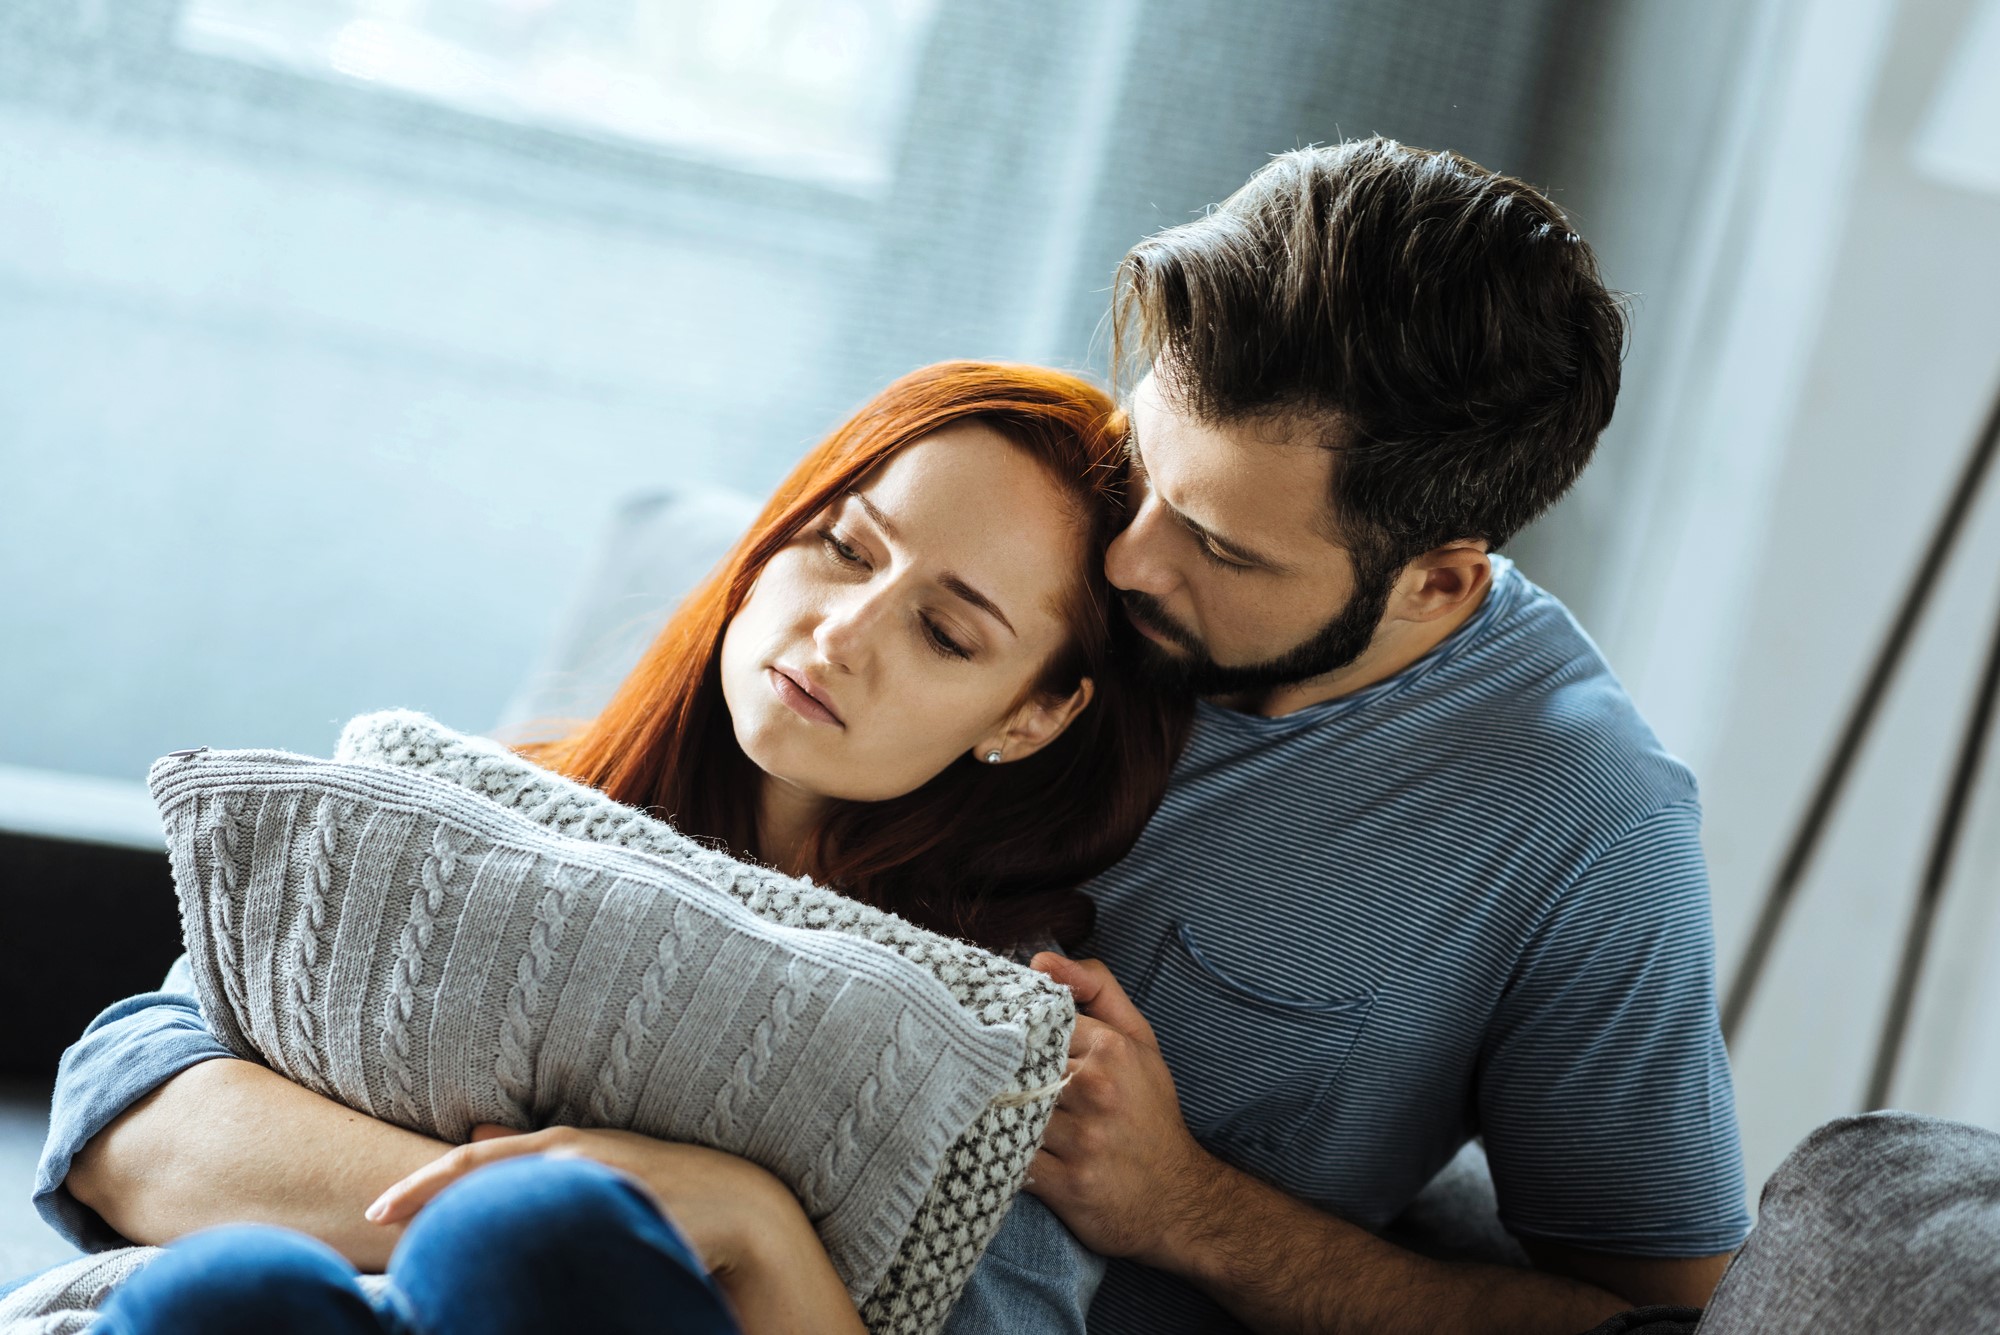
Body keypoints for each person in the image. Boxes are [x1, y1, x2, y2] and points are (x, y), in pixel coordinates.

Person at [22, 361, 1189, 1333]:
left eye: (943, 630)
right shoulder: (483, 796)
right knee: (250, 1292)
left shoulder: (1005, 1035)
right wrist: (538, 1204)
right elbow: (125, 1126)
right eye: (840, 547)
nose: (842, 634)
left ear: (1029, 714)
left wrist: (752, 1226)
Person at [948, 138, 1751, 1335]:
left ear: (1434, 583)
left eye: (1220, 548)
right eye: (1141, 461)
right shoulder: (1046, 509)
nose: (1124, 559)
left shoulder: (1583, 828)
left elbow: (1654, 1322)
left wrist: (1184, 1208)